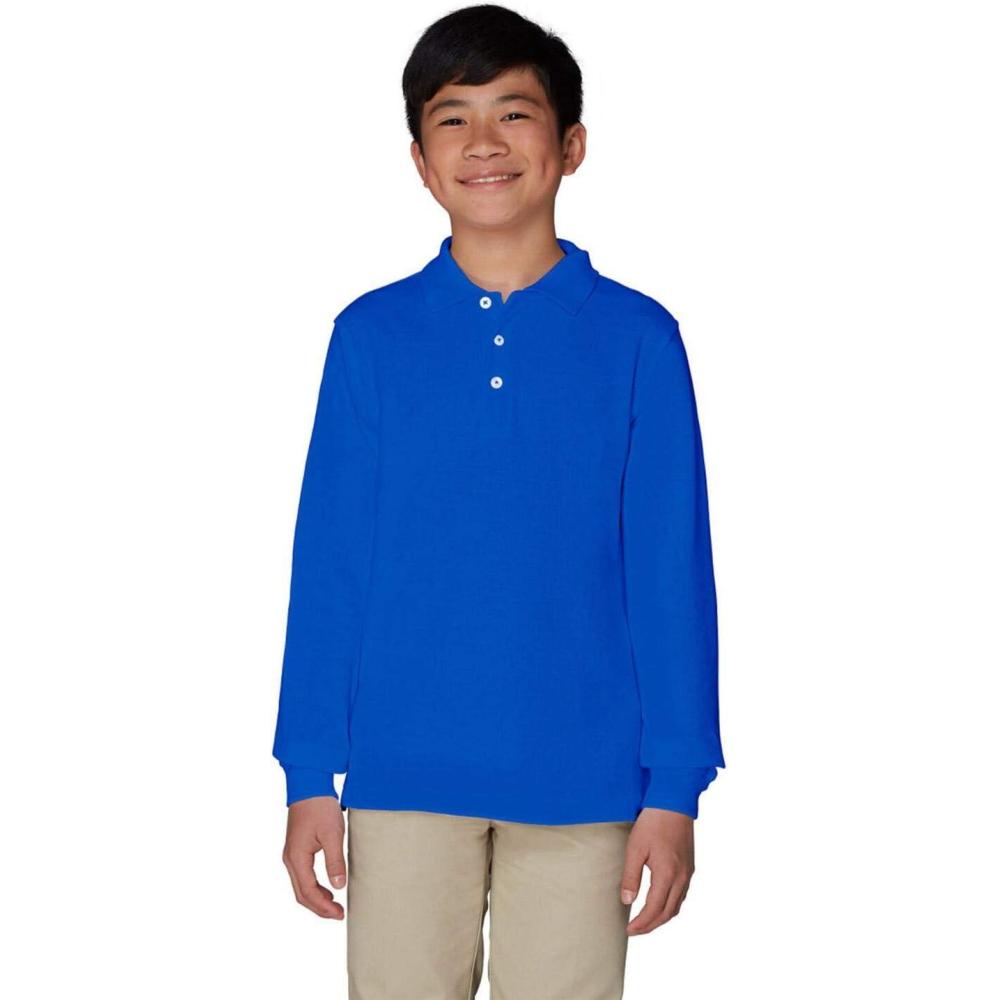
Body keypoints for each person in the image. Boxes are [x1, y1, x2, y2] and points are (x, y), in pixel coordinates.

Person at [271, 5, 726, 997]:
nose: (483, 141)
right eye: (452, 118)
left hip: (587, 778)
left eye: (514, 113)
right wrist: (308, 770)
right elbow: (333, 564)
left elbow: (669, 575)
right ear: (420, 162)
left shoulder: (638, 340)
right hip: (403, 772)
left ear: (571, 146)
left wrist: (676, 787)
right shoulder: (371, 337)